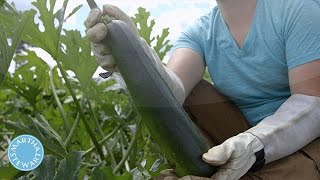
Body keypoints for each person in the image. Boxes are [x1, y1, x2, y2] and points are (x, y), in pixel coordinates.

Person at [85, 0, 320, 179]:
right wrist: (130, 53)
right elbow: (171, 91)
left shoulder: (298, 9)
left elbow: (312, 103)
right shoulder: (200, 31)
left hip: (307, 140)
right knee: (187, 93)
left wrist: (254, 143)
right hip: (239, 133)